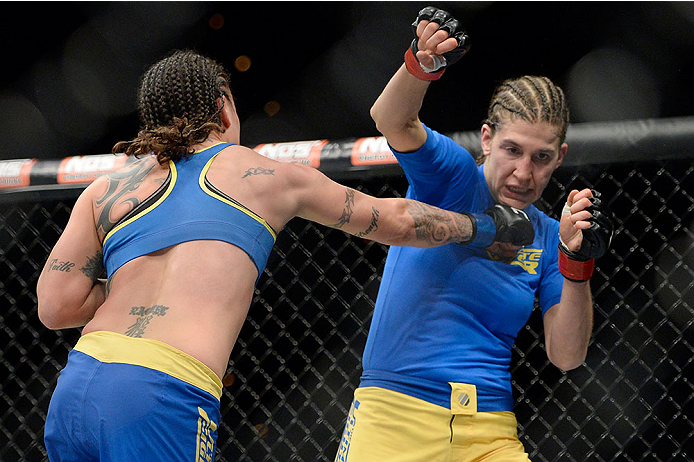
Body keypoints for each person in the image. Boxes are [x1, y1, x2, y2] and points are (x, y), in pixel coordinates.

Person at [36, 49, 536, 462]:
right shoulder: (261, 174)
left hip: (78, 384)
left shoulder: (107, 189)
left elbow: (55, 306)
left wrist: (129, 280)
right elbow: (398, 220)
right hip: (160, 394)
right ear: (224, 107)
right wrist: (485, 226)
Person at [335, 6, 613, 462]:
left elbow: (567, 356)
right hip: (395, 418)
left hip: (489, 431)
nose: (524, 173)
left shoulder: (548, 237)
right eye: (512, 150)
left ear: (560, 156)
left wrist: (577, 264)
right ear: (486, 139)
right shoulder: (453, 178)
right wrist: (419, 66)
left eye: (541, 157)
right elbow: (391, 120)